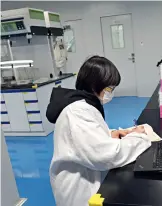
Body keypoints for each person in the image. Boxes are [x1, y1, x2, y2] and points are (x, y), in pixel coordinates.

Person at [46, 56, 151, 206]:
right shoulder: (77, 112)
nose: (110, 93)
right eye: (109, 88)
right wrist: (139, 139)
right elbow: (105, 155)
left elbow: (88, 137)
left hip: (86, 177)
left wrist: (110, 134)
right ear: (94, 84)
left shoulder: (84, 105)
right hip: (78, 191)